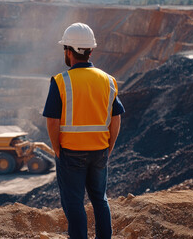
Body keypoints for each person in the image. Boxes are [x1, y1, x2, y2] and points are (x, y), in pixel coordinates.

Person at [43, 22, 125, 239]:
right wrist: (109, 147)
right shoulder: (108, 80)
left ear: (69, 51)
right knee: (100, 200)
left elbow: (52, 122)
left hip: (71, 152)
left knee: (74, 202)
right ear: (90, 50)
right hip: (99, 150)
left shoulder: (61, 81)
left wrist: (57, 149)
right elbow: (116, 119)